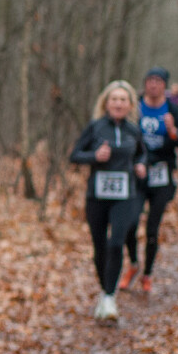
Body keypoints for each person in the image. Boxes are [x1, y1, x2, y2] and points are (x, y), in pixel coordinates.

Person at [69, 80, 147, 321]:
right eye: (114, 99)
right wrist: (95, 156)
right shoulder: (95, 127)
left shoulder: (134, 129)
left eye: (123, 100)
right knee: (99, 246)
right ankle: (105, 290)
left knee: (116, 242)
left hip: (125, 195)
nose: (118, 103)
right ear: (106, 102)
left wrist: (141, 164)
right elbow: (74, 155)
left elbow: (142, 152)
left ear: (130, 104)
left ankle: (110, 298)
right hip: (97, 195)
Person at [119, 66, 178, 292]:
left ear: (165, 85)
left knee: (152, 229)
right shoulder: (135, 105)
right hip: (137, 173)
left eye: (158, 81)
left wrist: (174, 132)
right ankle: (133, 264)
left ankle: (147, 274)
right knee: (130, 223)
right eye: (149, 80)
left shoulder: (174, 111)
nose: (153, 85)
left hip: (162, 176)